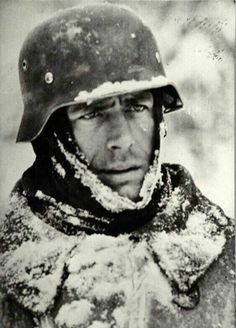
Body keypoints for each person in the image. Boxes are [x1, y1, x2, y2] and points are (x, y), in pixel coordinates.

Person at [0, 3, 234, 328]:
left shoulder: (226, 256)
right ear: (51, 135)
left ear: (157, 116)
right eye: (93, 113)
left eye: (137, 106)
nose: (122, 139)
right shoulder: (7, 277)